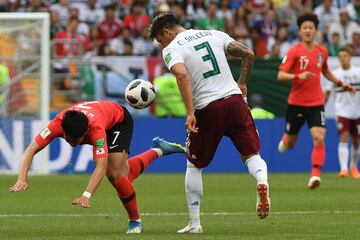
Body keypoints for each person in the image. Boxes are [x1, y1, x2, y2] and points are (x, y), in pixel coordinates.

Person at [149, 13, 270, 233]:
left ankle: (195, 223)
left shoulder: (172, 48)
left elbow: (182, 76)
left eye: (159, 39)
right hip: (235, 102)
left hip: (208, 109)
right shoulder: (215, 34)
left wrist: (190, 112)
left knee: (194, 165)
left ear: (166, 32)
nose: (160, 45)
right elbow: (248, 53)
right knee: (252, 155)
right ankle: (262, 181)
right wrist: (242, 82)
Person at [9, 100, 185, 234]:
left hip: (118, 121)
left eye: (75, 140)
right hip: (102, 114)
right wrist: (22, 178)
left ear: (85, 133)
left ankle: (135, 221)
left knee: (115, 175)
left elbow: (100, 166)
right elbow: (30, 150)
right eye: (67, 138)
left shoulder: (96, 132)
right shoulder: (57, 124)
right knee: (124, 176)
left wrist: (86, 195)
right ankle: (158, 150)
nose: (71, 143)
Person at [277, 13, 355, 190]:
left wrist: (343, 84)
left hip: (316, 103)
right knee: (290, 143)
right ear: (299, 30)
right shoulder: (294, 51)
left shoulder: (322, 52)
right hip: (296, 104)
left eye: (310, 28)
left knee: (319, 138)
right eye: (304, 27)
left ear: (315, 30)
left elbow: (326, 72)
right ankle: (285, 141)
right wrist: (298, 75)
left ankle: (315, 176)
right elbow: (280, 75)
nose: (307, 30)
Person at [324, 48, 360, 179]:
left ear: (350, 57)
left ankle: (353, 166)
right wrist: (320, 106)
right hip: (342, 111)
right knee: (344, 136)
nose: (342, 58)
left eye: (345, 55)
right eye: (340, 56)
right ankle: (343, 168)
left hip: (357, 112)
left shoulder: (358, 71)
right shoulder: (335, 74)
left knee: (357, 140)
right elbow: (327, 93)